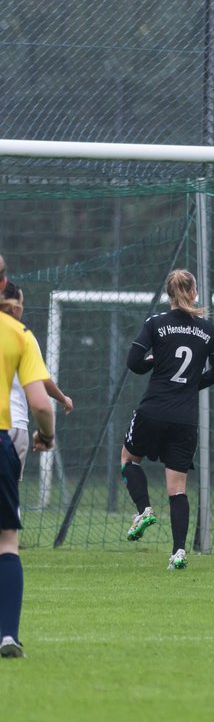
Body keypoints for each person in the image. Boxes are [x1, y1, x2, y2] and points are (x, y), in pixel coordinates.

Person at [120, 269, 214, 570]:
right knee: (177, 488)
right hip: (184, 417)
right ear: (193, 292)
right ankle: (178, 552)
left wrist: (153, 362)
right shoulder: (207, 329)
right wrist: (191, 384)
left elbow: (133, 363)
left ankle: (143, 510)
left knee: (129, 459)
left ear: (169, 294)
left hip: (153, 410)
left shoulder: (155, 324)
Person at [0, 256, 58, 659]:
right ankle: (7, 635)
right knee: (6, 542)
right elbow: (40, 403)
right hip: (4, 439)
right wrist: (47, 435)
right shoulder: (18, 335)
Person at [2, 280, 74, 482]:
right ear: (15, 308)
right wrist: (47, 434)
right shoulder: (22, 337)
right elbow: (41, 388)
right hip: (10, 427)